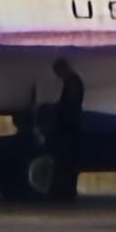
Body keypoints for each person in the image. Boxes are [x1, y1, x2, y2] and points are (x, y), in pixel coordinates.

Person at [48, 57, 84, 201]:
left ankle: (65, 192)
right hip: (71, 128)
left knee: (66, 162)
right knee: (68, 162)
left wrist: (57, 113)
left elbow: (69, 106)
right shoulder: (73, 81)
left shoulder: (72, 82)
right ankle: (66, 191)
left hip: (69, 129)